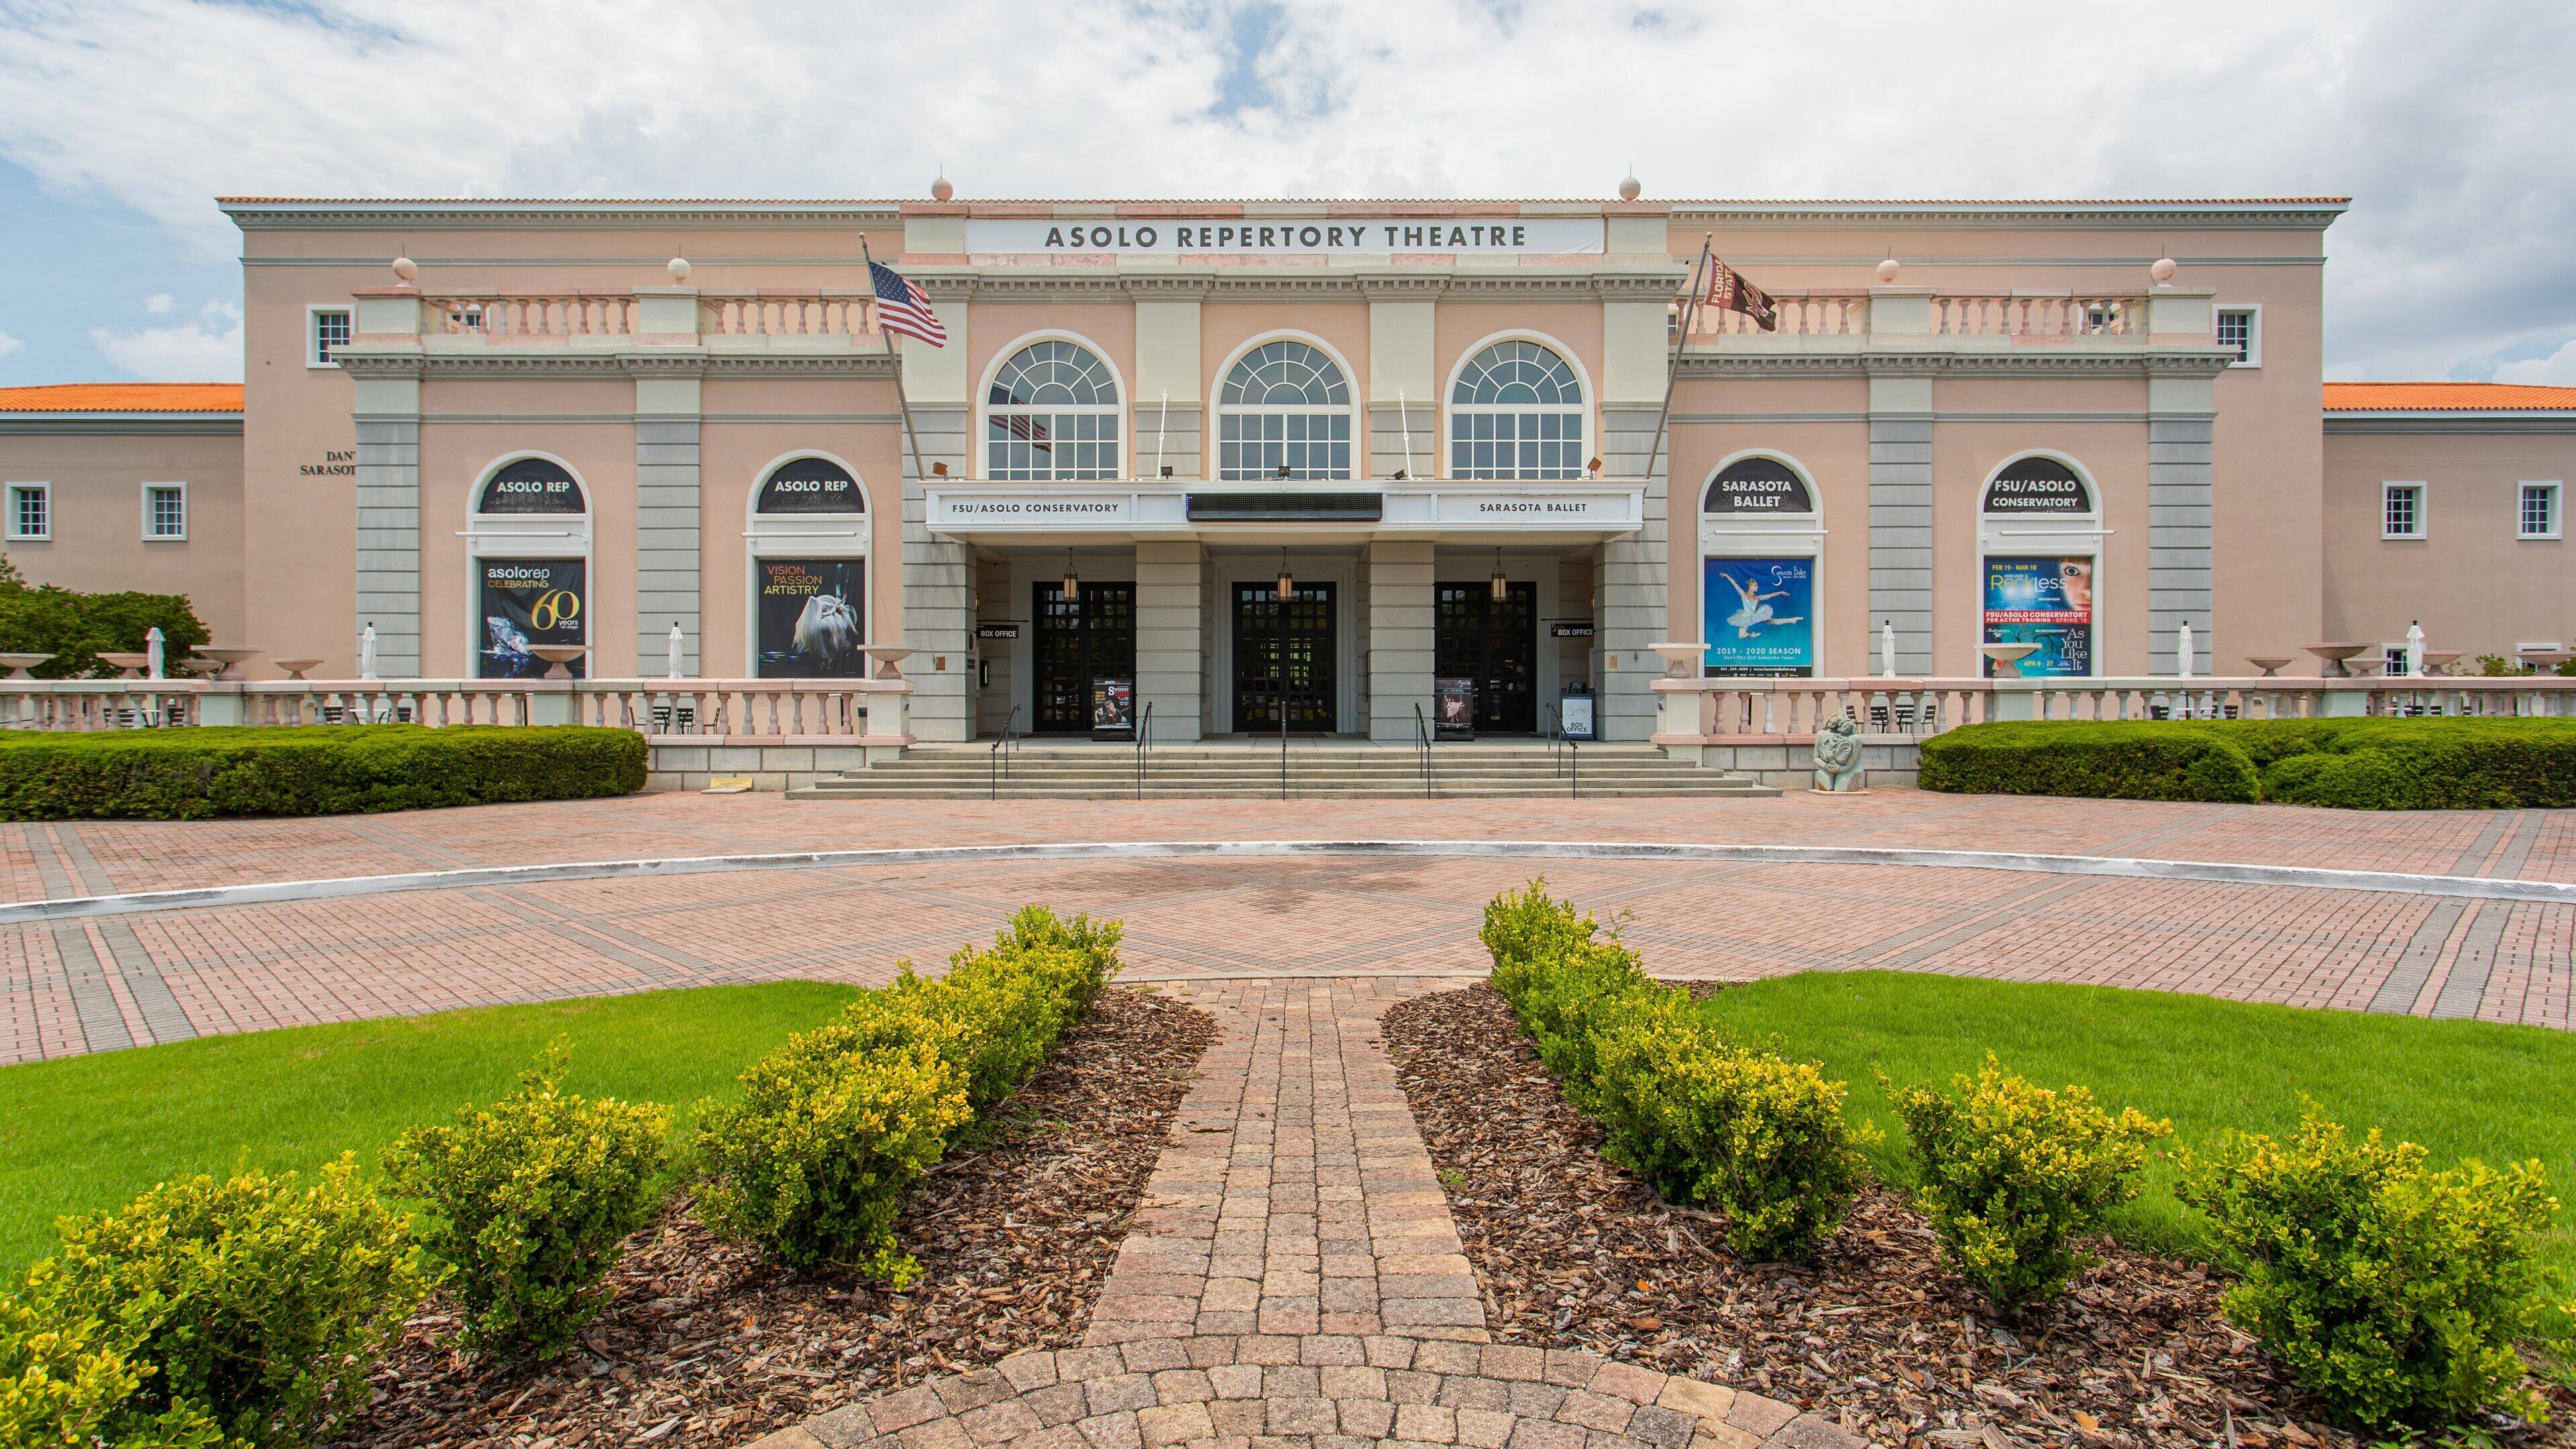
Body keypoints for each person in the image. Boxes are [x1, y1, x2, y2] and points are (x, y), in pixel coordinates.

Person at [1721, 571, 1805, 638]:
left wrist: (1781, 592)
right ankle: (1752, 635)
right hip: (1746, 618)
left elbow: (1770, 595)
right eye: (1755, 586)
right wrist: (1727, 576)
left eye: (1757, 585)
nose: (1757, 587)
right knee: (1741, 636)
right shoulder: (1743, 594)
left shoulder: (1758, 597)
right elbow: (1735, 584)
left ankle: (1792, 620)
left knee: (1773, 621)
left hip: (1756, 616)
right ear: (1751, 586)